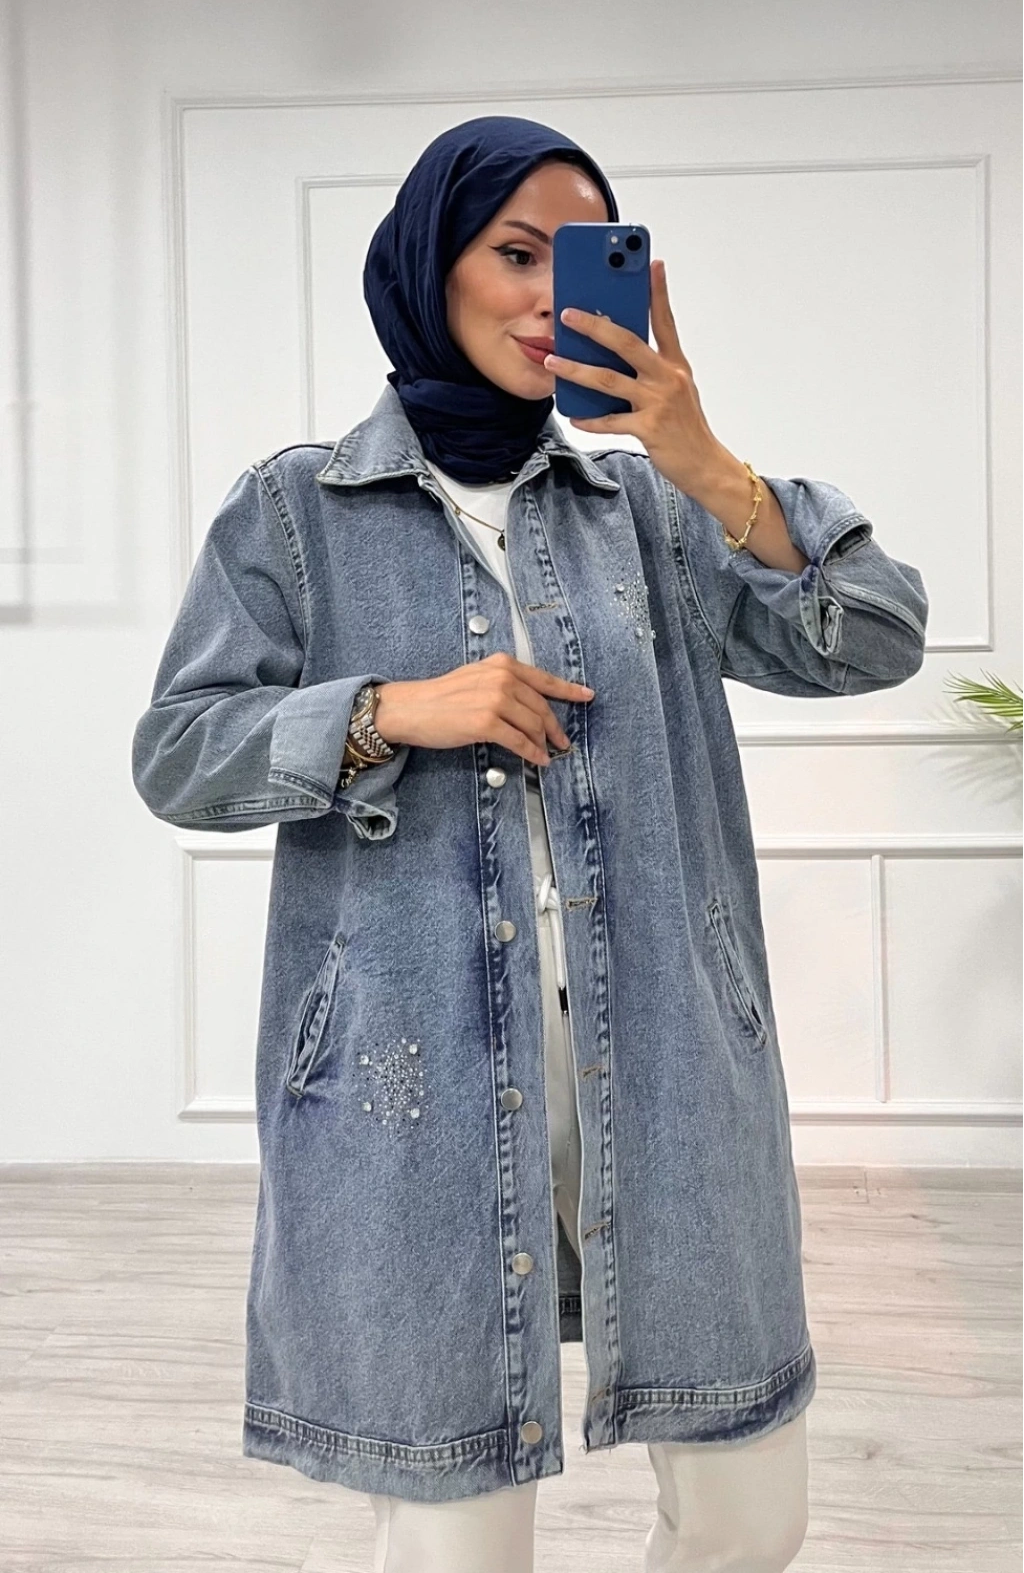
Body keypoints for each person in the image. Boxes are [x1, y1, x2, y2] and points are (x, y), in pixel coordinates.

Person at [131, 115, 928, 1573]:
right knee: (460, 1538)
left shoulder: (650, 509)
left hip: (674, 1069)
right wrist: (389, 710)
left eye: (582, 259)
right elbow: (178, 754)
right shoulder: (298, 512)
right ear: (430, 265)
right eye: (516, 255)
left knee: (752, 1516)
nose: (552, 296)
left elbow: (874, 634)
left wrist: (705, 459)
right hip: (410, 1088)